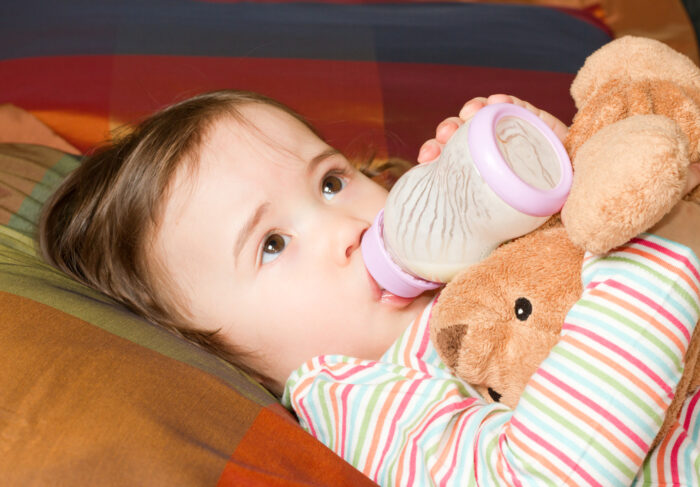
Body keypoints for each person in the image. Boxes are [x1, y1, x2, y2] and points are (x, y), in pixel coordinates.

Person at [38, 89, 700, 485]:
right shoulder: (359, 397)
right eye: (272, 243)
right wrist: (659, 256)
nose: (346, 227)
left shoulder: (461, 267)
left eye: (330, 181)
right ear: (221, 354)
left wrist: (543, 176)